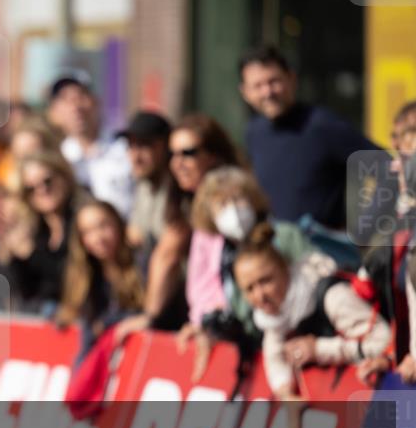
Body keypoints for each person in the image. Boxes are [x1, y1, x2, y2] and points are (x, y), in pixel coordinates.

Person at [234, 226, 391, 428]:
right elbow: (274, 357)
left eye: (265, 281)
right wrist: (287, 396)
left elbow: (385, 342)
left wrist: (319, 350)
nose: (260, 296)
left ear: (285, 269)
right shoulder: (275, 320)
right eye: (249, 288)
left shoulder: (333, 297)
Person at [180, 167, 319, 379]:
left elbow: (317, 276)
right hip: (267, 350)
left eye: (238, 199)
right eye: (222, 205)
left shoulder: (284, 235)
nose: (233, 211)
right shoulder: (225, 256)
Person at [115, 113, 241, 340]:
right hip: (202, 319)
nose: (177, 163)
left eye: (188, 153)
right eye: (173, 154)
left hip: (228, 323)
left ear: (214, 155)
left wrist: (149, 317)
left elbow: (169, 255)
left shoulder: (229, 198)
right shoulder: (185, 196)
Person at [240, 45, 380, 229]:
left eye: (274, 81)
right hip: (274, 243)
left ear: (292, 79)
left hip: (322, 245)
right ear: (245, 93)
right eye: (258, 86)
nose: (268, 92)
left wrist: (367, 227)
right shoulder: (254, 132)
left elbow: (388, 169)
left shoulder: (322, 125)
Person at [0, 150, 80, 316]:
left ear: (64, 176)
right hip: (41, 317)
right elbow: (23, 291)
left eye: (47, 181)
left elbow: (73, 279)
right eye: (31, 188)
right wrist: (10, 257)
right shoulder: (34, 227)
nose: (42, 190)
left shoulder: (81, 219)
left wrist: (32, 254)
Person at [57, 200, 145, 358]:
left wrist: (108, 323)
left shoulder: (141, 262)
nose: (98, 237)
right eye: (88, 232)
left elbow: (155, 315)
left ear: (118, 224)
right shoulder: (86, 275)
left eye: (103, 226)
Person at [47, 71, 133, 217]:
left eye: (81, 96)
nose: (76, 107)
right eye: (66, 100)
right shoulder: (59, 159)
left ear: (96, 101)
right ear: (54, 112)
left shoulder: (125, 147)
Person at [118, 111, 173, 253]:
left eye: (144, 146)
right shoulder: (143, 184)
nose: (136, 157)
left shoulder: (179, 188)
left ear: (166, 146)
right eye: (131, 146)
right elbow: (134, 236)